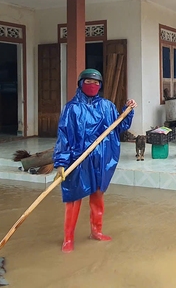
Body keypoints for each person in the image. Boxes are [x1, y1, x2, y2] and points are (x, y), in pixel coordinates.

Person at [53, 68, 137, 253]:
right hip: (78, 160)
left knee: (97, 196)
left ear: (100, 86)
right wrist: (60, 162)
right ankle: (68, 239)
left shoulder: (106, 106)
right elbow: (64, 136)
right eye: (88, 82)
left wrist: (127, 111)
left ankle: (96, 231)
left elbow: (119, 126)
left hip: (101, 159)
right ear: (80, 84)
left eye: (96, 83)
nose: (92, 86)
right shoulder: (71, 108)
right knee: (74, 199)